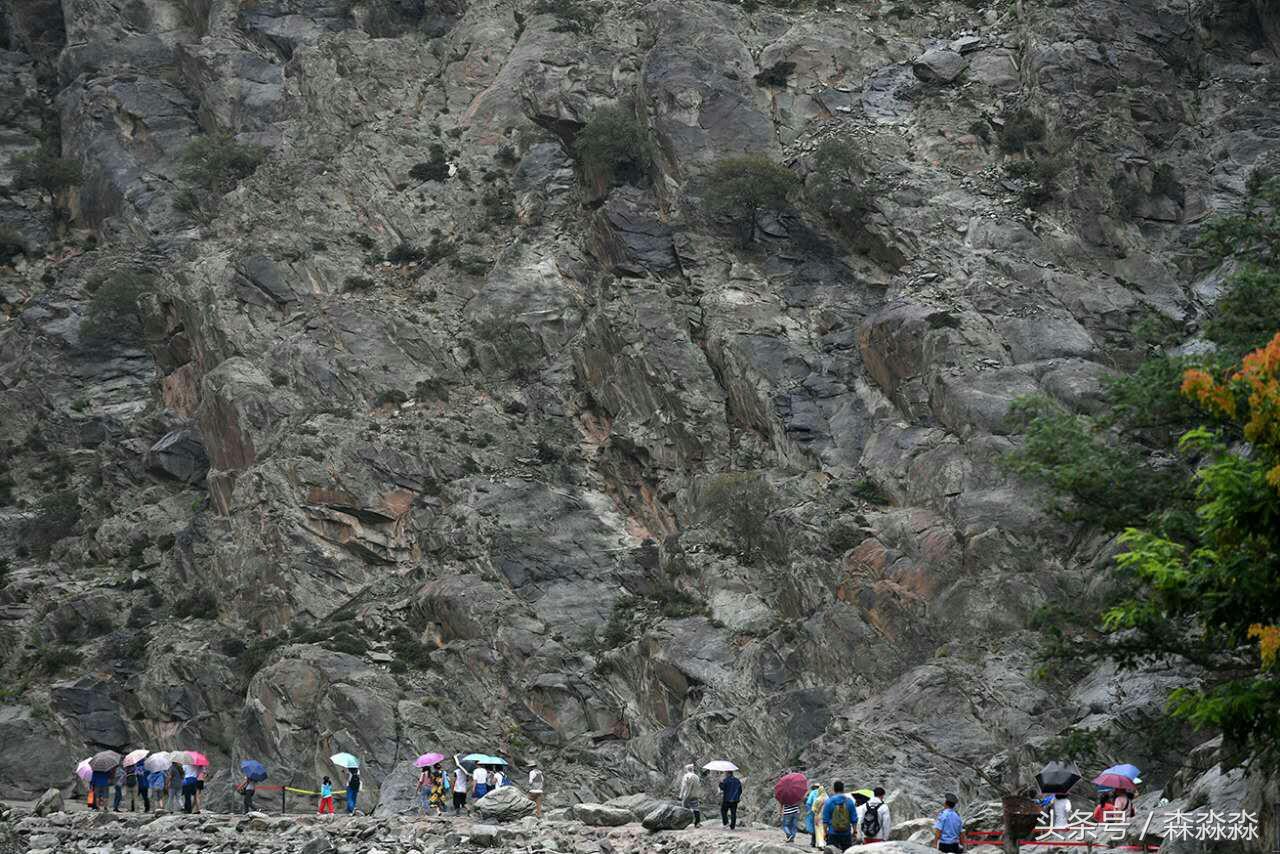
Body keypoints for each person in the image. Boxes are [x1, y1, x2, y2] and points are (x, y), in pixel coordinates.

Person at [822, 781, 858, 852]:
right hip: (846, 833)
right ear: (843, 789)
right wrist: (854, 832)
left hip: (833, 833)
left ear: (833, 789)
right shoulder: (849, 801)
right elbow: (854, 819)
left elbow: (825, 820)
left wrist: (825, 833)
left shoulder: (829, 802)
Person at [804, 783, 826, 848]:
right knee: (821, 827)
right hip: (823, 811)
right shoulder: (824, 793)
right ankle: (821, 842)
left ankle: (813, 842)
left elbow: (808, 802)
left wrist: (809, 811)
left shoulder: (813, 792)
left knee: (814, 826)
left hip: (815, 811)